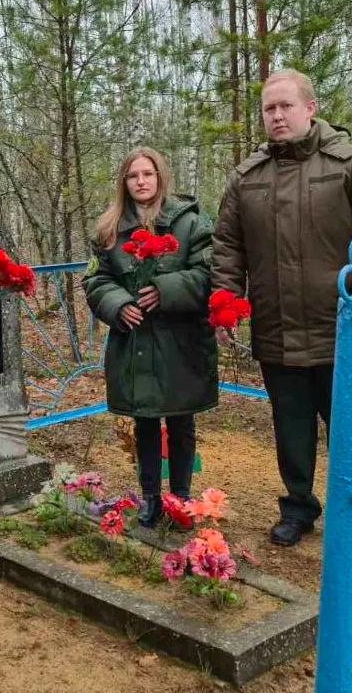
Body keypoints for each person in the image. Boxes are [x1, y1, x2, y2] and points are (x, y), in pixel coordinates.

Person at [211, 68, 352, 552]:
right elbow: (228, 249)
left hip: (340, 329)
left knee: (348, 427)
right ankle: (298, 507)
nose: (276, 116)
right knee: (290, 425)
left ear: (310, 108)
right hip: (276, 328)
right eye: (268, 109)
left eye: (285, 106)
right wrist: (226, 306)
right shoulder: (246, 177)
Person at [83, 147, 218, 527]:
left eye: (148, 174)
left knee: (179, 420)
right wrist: (118, 304)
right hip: (135, 340)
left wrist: (165, 289)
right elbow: (96, 279)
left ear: (160, 177)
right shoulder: (109, 228)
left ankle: (181, 498)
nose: (141, 181)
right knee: (143, 420)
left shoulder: (190, 221)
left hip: (180, 340)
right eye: (133, 176)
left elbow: (208, 274)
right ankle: (151, 498)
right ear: (124, 183)